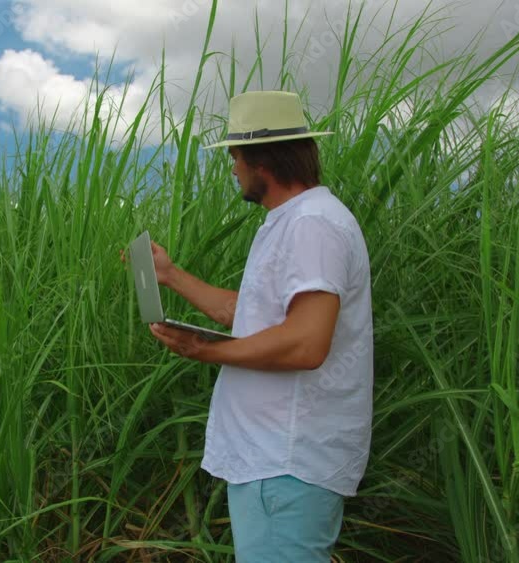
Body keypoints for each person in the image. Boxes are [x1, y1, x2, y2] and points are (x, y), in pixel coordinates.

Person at [130, 91, 374, 561]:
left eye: (235, 156)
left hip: (285, 461)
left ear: (262, 160)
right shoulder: (293, 222)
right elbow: (249, 315)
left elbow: (306, 343)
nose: (233, 168)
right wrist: (170, 275)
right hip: (275, 462)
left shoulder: (313, 225)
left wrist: (205, 351)